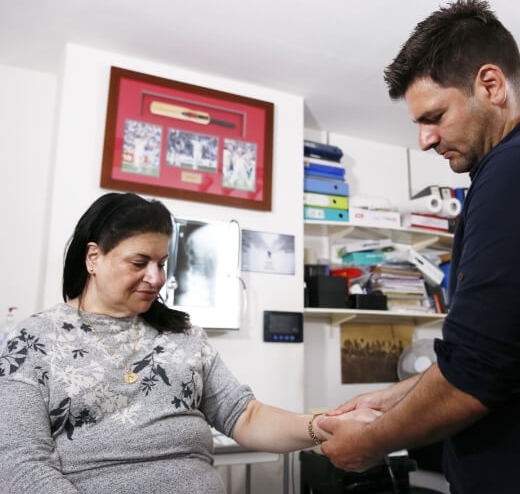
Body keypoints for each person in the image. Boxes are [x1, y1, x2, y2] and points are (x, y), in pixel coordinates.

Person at [318, 0, 520, 493]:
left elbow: (477, 376)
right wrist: (390, 398)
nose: (425, 140)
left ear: (491, 86)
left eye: (434, 116)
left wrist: (370, 443)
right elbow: (496, 352)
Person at [0, 192, 377, 494]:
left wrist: (323, 425)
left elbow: (244, 415)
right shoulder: (33, 341)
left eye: (162, 263)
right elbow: (19, 462)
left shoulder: (183, 335)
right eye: (139, 262)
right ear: (94, 257)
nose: (156, 277)